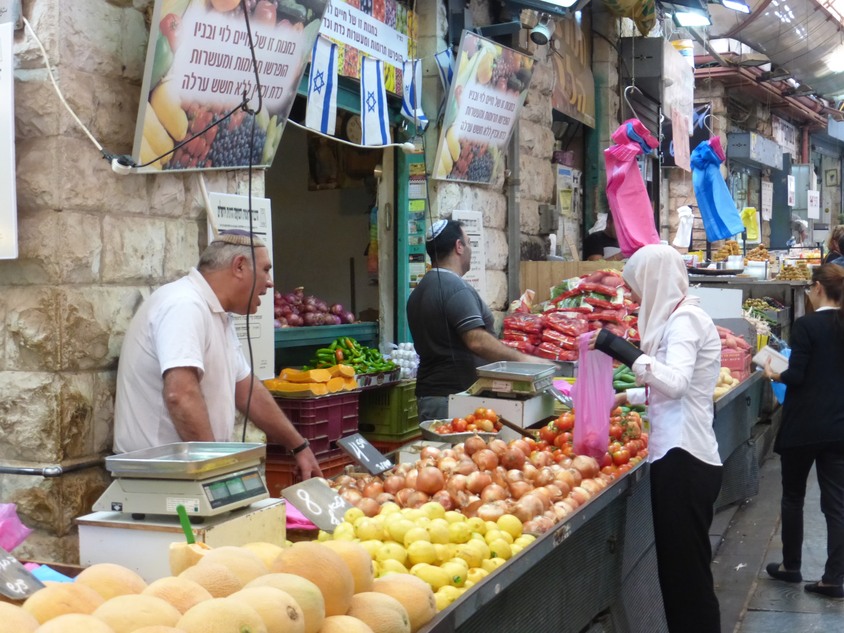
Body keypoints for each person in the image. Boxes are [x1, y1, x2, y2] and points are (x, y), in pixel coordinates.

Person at [114, 230, 322, 479]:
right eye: (266, 269)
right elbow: (180, 394)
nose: (270, 282)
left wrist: (298, 445)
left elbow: (246, 391)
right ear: (239, 266)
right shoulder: (184, 305)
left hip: (190, 471)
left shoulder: (217, 312)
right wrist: (215, 471)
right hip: (162, 477)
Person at [590, 244, 723, 633]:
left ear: (655, 280)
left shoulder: (685, 321)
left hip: (684, 460)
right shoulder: (680, 319)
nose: (632, 296)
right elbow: (672, 384)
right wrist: (625, 396)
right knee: (682, 575)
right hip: (683, 457)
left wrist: (621, 350)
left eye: (636, 287)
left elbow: (678, 384)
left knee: (686, 580)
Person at [406, 219, 547, 422]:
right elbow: (477, 340)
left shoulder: (419, 291)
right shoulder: (455, 288)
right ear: (459, 247)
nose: (471, 249)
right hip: (453, 400)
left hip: (431, 397)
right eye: (469, 243)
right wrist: (523, 361)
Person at [762, 263, 844, 598]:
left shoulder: (807, 326)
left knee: (793, 496)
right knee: (836, 503)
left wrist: (772, 371)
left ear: (818, 289)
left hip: (803, 426)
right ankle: (834, 577)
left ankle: (790, 566)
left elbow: (797, 376)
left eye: (811, 288)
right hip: (839, 426)